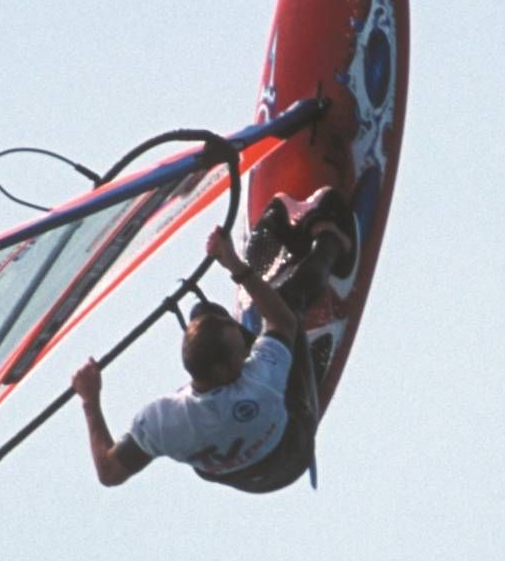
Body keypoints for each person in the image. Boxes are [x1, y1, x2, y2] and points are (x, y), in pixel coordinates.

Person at [72, 190, 349, 495]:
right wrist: (233, 264)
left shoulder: (165, 420)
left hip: (246, 478)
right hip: (292, 448)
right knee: (288, 304)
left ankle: (254, 320)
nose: (248, 351)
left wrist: (90, 399)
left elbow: (109, 472)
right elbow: (283, 321)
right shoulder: (258, 385)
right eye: (242, 351)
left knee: (204, 313)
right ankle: (334, 241)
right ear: (221, 371)